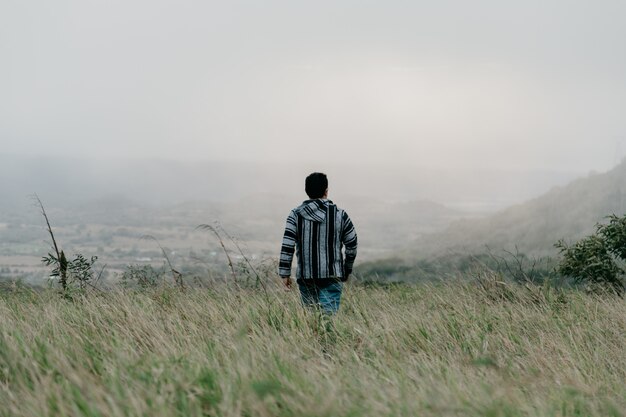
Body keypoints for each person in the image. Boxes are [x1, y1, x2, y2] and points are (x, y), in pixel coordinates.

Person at [279, 172, 358, 314]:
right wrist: (346, 269)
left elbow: (287, 246)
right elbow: (352, 244)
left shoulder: (295, 215)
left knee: (311, 321)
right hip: (332, 276)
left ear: (307, 191)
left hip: (306, 277)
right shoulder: (340, 215)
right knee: (328, 321)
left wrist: (285, 274)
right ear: (326, 191)